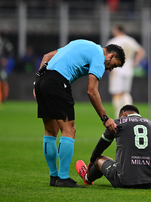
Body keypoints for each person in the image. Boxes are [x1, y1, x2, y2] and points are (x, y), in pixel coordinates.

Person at [33, 39, 125, 188]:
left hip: (43, 81)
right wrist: (105, 118)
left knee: (50, 131)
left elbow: (46, 57)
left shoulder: (82, 44)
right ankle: (63, 178)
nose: (110, 70)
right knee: (69, 130)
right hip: (58, 82)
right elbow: (91, 91)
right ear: (111, 55)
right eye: (113, 65)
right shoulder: (99, 57)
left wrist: (37, 82)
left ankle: (54, 177)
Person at [76, 104, 151, 189]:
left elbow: (99, 148)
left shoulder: (117, 123)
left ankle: (87, 177)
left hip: (124, 181)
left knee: (98, 159)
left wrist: (91, 162)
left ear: (124, 113)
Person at [107, 25, 145, 117]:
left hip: (117, 70)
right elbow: (141, 52)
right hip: (128, 70)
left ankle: (118, 115)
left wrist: (110, 69)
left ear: (117, 31)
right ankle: (130, 114)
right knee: (126, 92)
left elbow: (108, 57)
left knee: (116, 93)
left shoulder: (114, 41)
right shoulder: (130, 40)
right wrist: (134, 63)